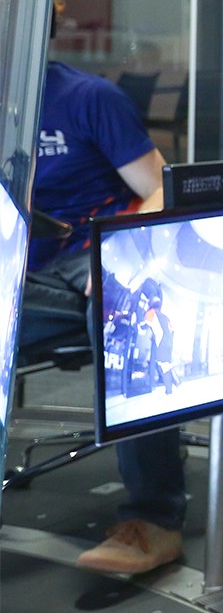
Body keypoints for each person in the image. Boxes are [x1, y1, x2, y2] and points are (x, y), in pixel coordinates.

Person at [16, 42, 182, 576]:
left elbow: (160, 189)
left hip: (85, 263)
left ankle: (153, 519)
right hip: (20, 274)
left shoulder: (87, 98)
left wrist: (115, 253)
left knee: (121, 303)